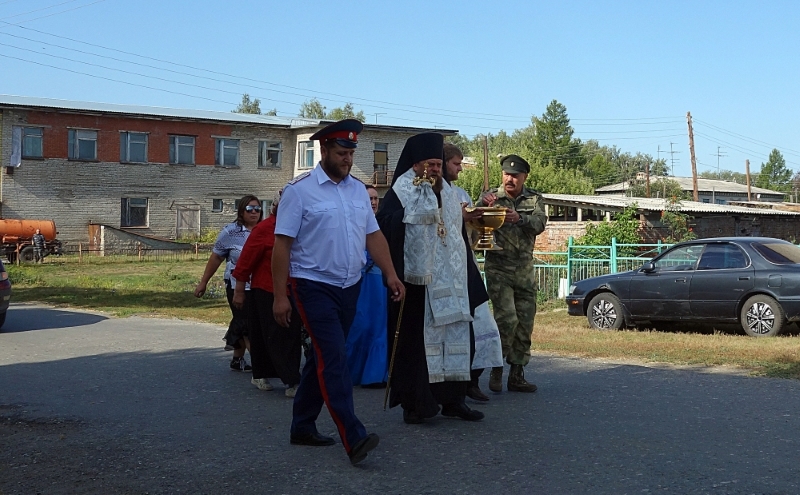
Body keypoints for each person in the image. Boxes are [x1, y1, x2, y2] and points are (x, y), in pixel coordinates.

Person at [272, 119, 405, 466]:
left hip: (350, 286)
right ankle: (353, 435)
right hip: (312, 285)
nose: (347, 159)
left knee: (323, 356)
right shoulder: (299, 192)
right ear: (324, 150)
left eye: (351, 154)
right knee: (334, 358)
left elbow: (373, 236)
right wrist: (280, 296)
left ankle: (302, 425)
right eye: (341, 153)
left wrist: (391, 274)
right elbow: (281, 246)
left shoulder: (358, 191)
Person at [377, 132, 484, 425]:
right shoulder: (400, 191)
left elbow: (457, 236)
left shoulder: (449, 193)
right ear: (415, 164)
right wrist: (411, 217)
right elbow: (383, 228)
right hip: (418, 285)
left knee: (457, 337)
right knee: (417, 346)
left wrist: (470, 278)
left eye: (438, 164)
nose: (435, 170)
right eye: (430, 164)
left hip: (452, 282)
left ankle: (453, 400)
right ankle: (415, 404)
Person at [477, 155, 547, 393]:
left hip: (524, 269)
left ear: (524, 177)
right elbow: (473, 223)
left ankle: (517, 374)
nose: (510, 179)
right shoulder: (490, 198)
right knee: (506, 319)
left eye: (515, 176)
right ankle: (496, 366)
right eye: (507, 174)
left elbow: (539, 224)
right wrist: (483, 208)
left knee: (525, 322)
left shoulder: (534, 199)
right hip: (499, 268)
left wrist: (520, 218)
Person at [443, 143, 503, 403]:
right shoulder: (433, 193)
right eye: (456, 163)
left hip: (467, 265)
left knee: (482, 324)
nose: (460, 168)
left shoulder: (461, 193)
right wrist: (461, 217)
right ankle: (451, 387)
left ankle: (473, 380)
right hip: (445, 270)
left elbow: (473, 235)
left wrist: (479, 215)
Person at [232, 189, 301, 397]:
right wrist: (239, 291)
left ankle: (290, 377)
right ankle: (267, 375)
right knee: (267, 334)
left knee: (290, 334)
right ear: (276, 207)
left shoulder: (300, 227)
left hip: (293, 289)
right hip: (265, 290)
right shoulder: (264, 229)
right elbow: (246, 260)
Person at [194, 195, 262, 372]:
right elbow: (216, 257)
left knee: (244, 322)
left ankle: (237, 359)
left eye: (257, 208)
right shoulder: (231, 232)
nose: (254, 212)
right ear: (241, 211)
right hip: (236, 286)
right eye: (250, 209)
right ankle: (260, 367)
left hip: (259, 285)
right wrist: (203, 282)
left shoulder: (265, 230)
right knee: (246, 323)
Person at [345, 185, 389, 387]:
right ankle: (351, 370)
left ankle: (375, 374)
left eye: (375, 199)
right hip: (358, 278)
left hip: (378, 280)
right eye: (369, 198)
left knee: (379, 325)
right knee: (359, 324)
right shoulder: (351, 222)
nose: (373, 202)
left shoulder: (382, 222)